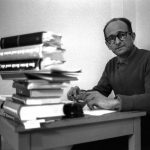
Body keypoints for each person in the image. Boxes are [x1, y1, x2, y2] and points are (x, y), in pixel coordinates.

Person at [67, 17, 150, 150]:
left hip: (145, 129)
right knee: (79, 145)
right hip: (122, 126)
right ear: (107, 45)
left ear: (132, 36)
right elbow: (100, 91)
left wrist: (113, 102)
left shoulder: (147, 58)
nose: (117, 41)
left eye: (122, 35)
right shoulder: (111, 65)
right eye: (111, 39)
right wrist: (81, 94)